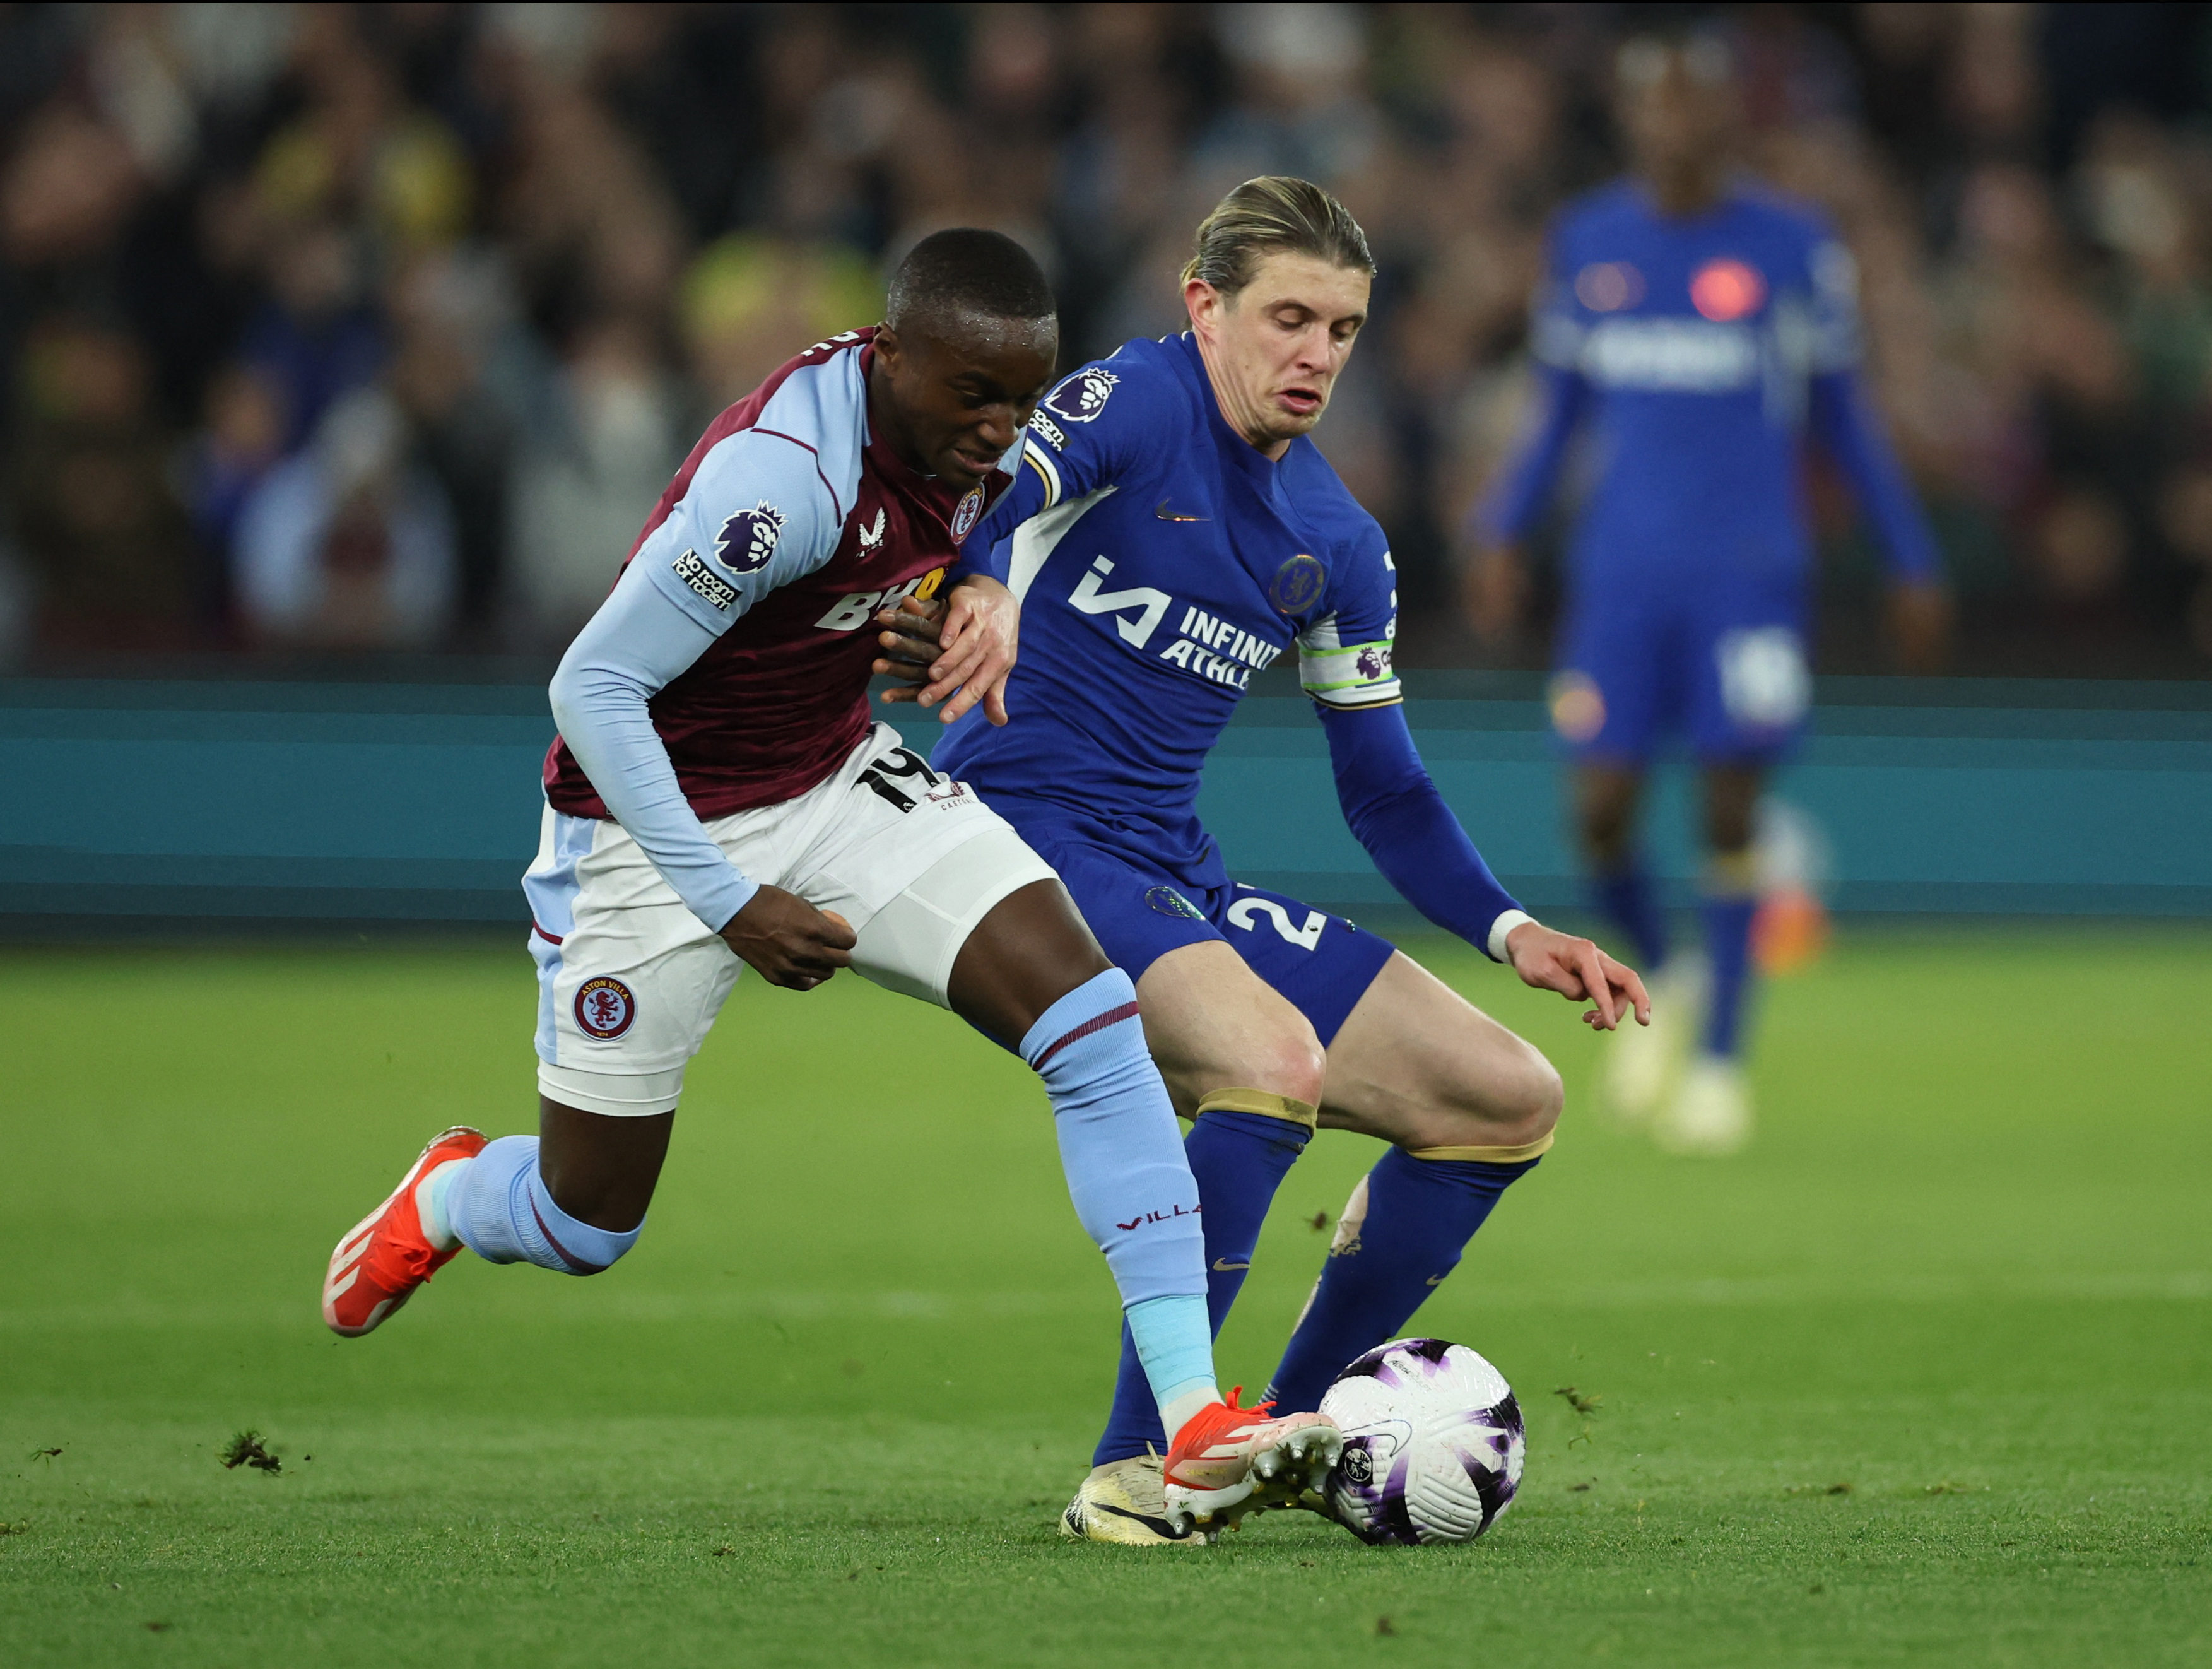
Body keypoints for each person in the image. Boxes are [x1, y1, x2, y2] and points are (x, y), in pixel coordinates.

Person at [319, 230, 1340, 1535]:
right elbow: (592, 690)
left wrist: (967, 597)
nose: (1001, 428)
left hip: (837, 782)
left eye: (1021, 398)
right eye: (974, 396)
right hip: (649, 836)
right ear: (889, 354)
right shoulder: (780, 485)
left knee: (1092, 1022)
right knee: (587, 1223)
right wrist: (727, 901)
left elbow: (961, 535)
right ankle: (452, 1194)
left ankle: (1190, 1421)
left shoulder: (973, 441)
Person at [903, 180, 1648, 1545]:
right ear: (1206, 309)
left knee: (1503, 1094)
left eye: (1344, 329)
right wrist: (986, 584)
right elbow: (995, 487)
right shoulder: (1136, 401)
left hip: (1167, 862)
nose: (1315, 352)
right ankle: (1138, 1469)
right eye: (1288, 317)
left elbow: (1384, 787)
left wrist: (1508, 929)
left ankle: (1279, 1438)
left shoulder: (1340, 545)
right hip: (1015, 832)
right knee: (1268, 1062)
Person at [1467, 33, 1946, 1153]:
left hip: (1747, 576)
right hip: (1617, 578)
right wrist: (1501, 527)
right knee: (1598, 810)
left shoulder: (1789, 245)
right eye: (1654, 106)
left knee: (1730, 807)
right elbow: (1559, 413)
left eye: (1692, 105)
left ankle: (1721, 1062)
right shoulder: (1589, 241)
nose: (1673, 125)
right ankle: (1669, 966)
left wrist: (1909, 555)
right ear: (1632, 120)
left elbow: (1843, 417)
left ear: (1726, 119)